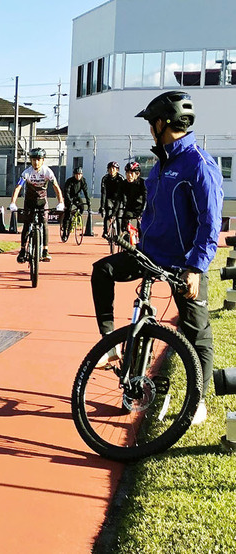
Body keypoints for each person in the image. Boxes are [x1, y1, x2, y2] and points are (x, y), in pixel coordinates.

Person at [91, 90, 222, 426]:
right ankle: (110, 345)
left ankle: (198, 401)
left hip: (183, 263)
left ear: (163, 123)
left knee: (197, 332)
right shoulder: (160, 164)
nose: (149, 128)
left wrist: (195, 268)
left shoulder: (198, 164)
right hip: (150, 256)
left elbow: (210, 223)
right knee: (102, 270)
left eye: (151, 122)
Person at [9, 147, 65, 263]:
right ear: (30, 160)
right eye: (34, 159)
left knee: (44, 223)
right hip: (29, 201)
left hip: (42, 201)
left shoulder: (47, 172)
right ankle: (23, 250)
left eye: (39, 159)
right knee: (26, 224)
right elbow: (18, 187)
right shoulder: (27, 172)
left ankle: (45, 250)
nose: (36, 162)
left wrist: (61, 202)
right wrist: (13, 203)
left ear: (43, 161)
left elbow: (56, 187)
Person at [117, 161, 146, 240]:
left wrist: (142, 212)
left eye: (131, 173)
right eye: (127, 173)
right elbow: (119, 199)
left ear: (137, 174)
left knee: (141, 226)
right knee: (124, 220)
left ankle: (141, 242)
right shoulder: (124, 183)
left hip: (141, 208)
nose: (129, 176)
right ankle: (125, 237)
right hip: (130, 208)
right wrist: (114, 213)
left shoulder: (143, 183)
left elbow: (145, 199)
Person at [61, 166, 90, 238]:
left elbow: (86, 192)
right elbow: (66, 191)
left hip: (77, 196)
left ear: (82, 175)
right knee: (67, 212)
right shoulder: (69, 181)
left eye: (80, 174)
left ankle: (75, 217)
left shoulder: (83, 181)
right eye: (77, 174)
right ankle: (65, 231)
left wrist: (88, 202)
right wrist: (68, 200)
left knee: (82, 208)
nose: (78, 176)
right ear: (74, 175)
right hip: (69, 196)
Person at [99, 161, 124, 237]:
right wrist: (102, 207)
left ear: (117, 170)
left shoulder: (121, 179)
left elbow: (123, 194)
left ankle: (119, 236)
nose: (112, 170)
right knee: (108, 214)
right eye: (110, 169)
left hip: (119, 199)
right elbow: (103, 193)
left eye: (113, 168)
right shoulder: (105, 179)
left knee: (119, 218)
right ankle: (105, 231)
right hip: (109, 198)